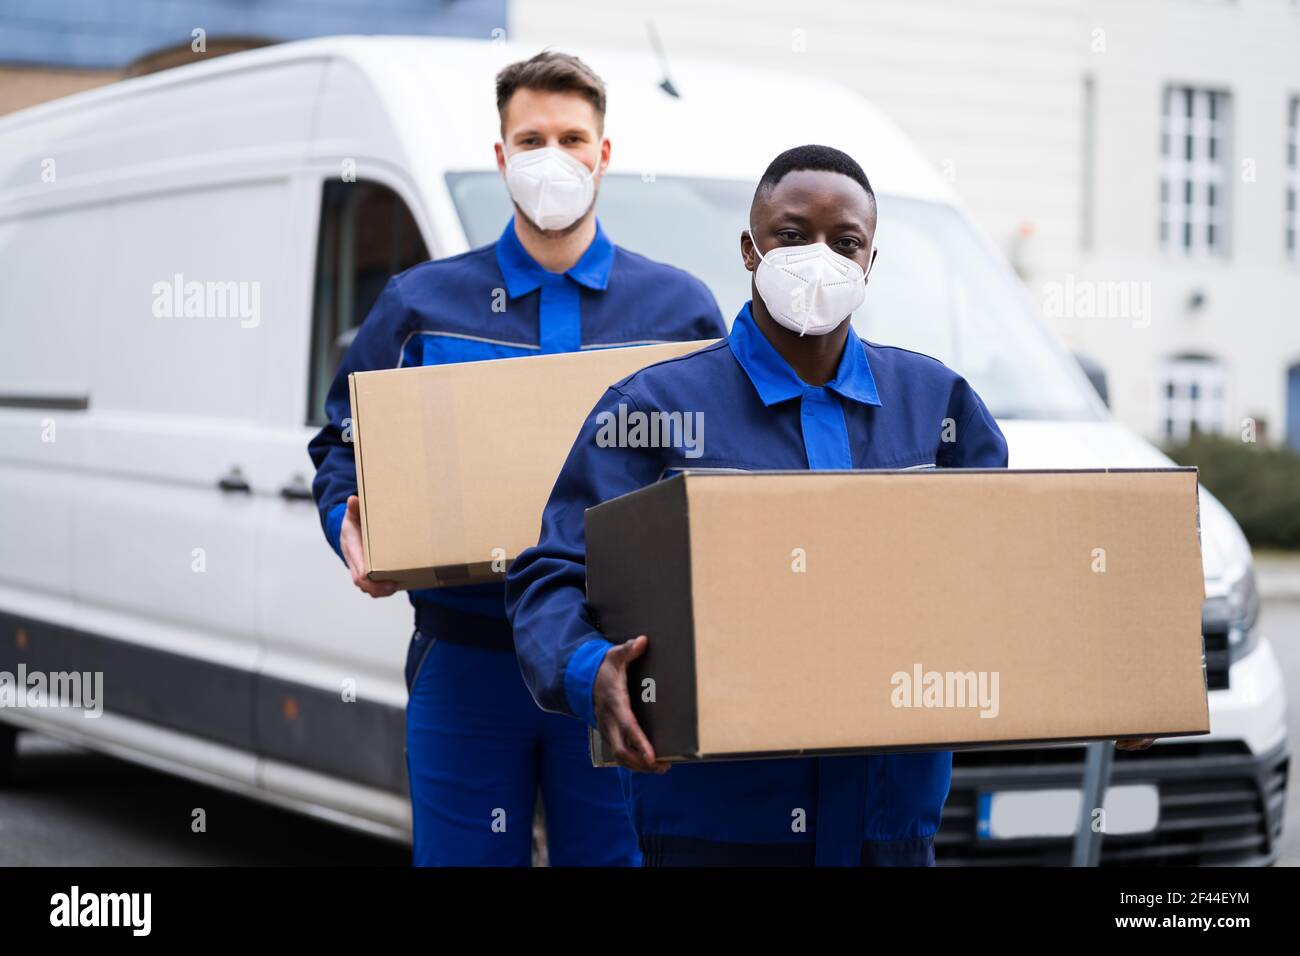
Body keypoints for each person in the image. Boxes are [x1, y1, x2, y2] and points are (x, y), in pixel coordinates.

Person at [506, 144, 1154, 867]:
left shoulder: (937, 407)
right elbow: (551, 576)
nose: (819, 256)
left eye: (845, 242)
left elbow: (1008, 579)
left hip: (891, 821)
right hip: (715, 824)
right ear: (750, 250)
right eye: (791, 235)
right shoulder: (653, 410)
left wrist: (1117, 673)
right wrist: (587, 668)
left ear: (869, 263)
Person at [308, 51, 725, 867]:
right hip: (465, 658)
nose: (554, 159)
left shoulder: (679, 312)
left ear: (605, 154)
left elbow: (717, 466)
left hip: (618, 662)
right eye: (531, 140)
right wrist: (349, 526)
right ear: (500, 158)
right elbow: (342, 445)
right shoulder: (420, 303)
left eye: (573, 138)